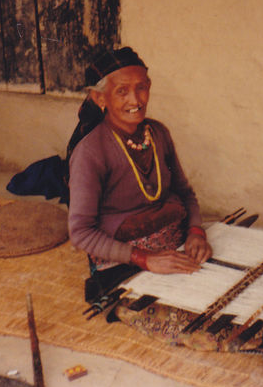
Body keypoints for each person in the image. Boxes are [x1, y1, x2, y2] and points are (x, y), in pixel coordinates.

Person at [67, 47, 212, 279]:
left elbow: (185, 193)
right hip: (123, 261)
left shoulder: (159, 133)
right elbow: (81, 233)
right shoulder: (90, 152)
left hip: (180, 247)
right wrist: (145, 259)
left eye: (141, 88)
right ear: (99, 98)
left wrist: (195, 232)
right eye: (122, 91)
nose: (135, 100)